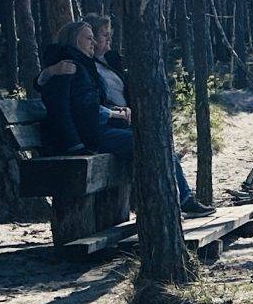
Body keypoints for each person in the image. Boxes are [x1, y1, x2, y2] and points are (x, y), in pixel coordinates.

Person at [40, 16, 208, 214]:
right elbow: (63, 109)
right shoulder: (68, 67)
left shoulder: (83, 65)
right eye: (88, 38)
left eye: (94, 38)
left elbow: (88, 104)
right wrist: (76, 145)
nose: (93, 42)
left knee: (155, 141)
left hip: (94, 132)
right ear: (74, 40)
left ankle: (173, 201)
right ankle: (178, 201)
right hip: (89, 137)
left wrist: (115, 111)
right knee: (152, 143)